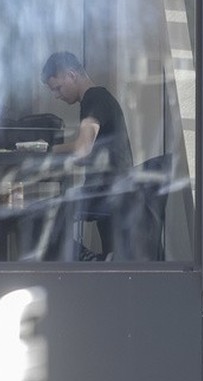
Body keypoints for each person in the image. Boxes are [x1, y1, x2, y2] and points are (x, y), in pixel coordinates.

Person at [42, 52, 135, 260]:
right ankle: (96, 259)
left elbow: (82, 148)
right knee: (114, 261)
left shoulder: (94, 97)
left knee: (45, 213)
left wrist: (48, 149)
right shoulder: (98, 99)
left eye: (58, 87)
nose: (57, 95)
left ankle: (89, 259)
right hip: (114, 192)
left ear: (72, 74)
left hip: (107, 192)